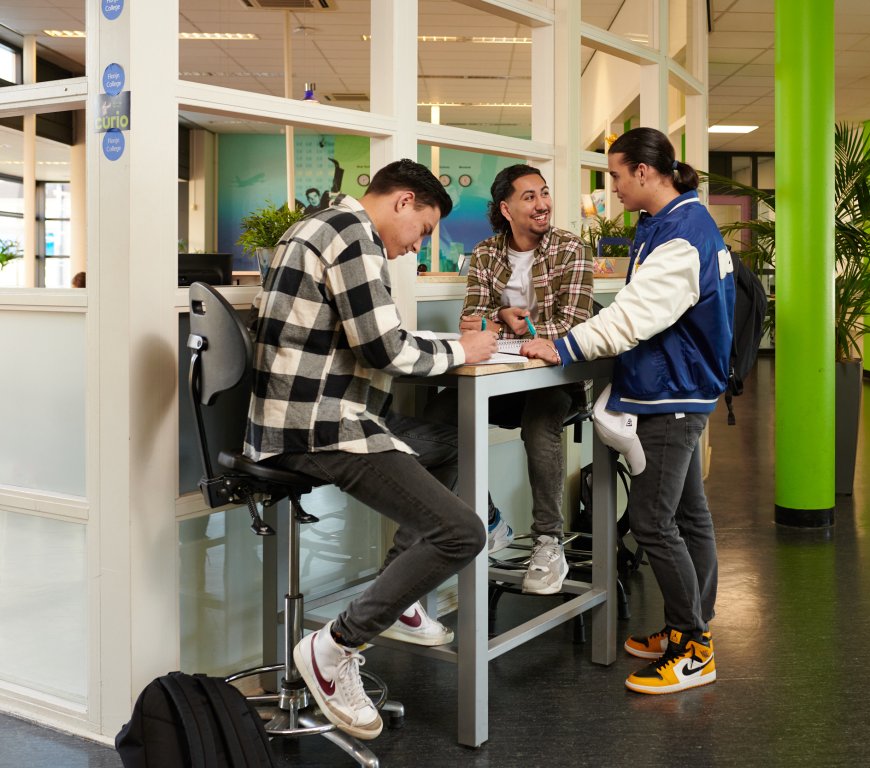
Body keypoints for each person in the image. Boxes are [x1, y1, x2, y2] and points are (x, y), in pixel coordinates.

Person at [245, 159, 497, 739]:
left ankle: (398, 596)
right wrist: (467, 351)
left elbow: (382, 340)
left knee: (451, 441)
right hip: (319, 428)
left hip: (312, 419)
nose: (418, 246)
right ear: (404, 202)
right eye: (425, 230)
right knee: (461, 532)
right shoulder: (350, 237)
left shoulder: (322, 226)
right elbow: (386, 351)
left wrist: (457, 346)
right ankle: (333, 648)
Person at [521, 128, 734, 695]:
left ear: (644, 171)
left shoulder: (683, 234)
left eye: (614, 175)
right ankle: (689, 626)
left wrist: (562, 346)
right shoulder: (662, 224)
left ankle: (694, 646)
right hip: (675, 387)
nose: (610, 187)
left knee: (653, 521)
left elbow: (634, 316)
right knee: (687, 515)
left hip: (672, 395)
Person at [426, 164, 595, 594]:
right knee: (444, 410)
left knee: (540, 421)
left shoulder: (571, 249)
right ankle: (487, 518)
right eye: (529, 197)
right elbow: (470, 322)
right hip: (503, 381)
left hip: (559, 380)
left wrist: (529, 332)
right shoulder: (486, 253)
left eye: (544, 194)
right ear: (506, 208)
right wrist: (501, 317)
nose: (542, 205)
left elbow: (574, 322)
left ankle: (547, 542)